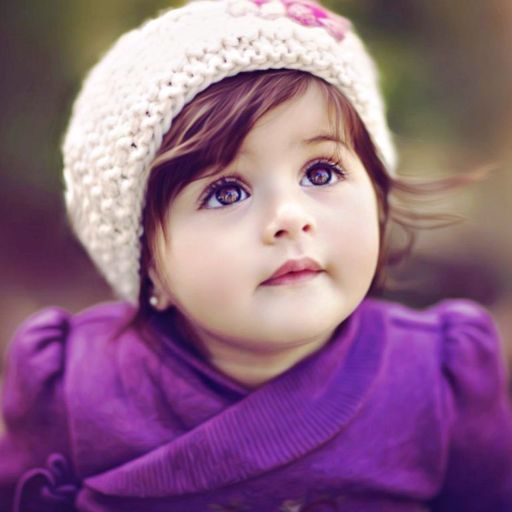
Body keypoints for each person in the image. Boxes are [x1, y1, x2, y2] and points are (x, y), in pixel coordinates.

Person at [1, 0, 511, 510]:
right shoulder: (74, 391)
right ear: (147, 262)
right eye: (226, 192)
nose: (289, 216)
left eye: (320, 173)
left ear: (377, 197)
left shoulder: (437, 383)